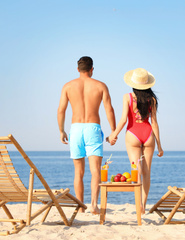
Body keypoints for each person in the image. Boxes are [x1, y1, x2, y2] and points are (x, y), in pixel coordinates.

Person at [57, 56, 116, 214]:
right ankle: (94, 205)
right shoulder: (100, 85)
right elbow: (108, 109)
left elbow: (61, 110)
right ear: (92, 69)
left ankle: (80, 207)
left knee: (78, 171)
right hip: (92, 128)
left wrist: (61, 130)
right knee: (95, 170)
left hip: (75, 128)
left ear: (78, 69)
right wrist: (113, 131)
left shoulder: (68, 86)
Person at [108, 68, 163, 214]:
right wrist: (159, 146)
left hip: (133, 134)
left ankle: (138, 204)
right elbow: (155, 123)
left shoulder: (127, 97)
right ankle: (143, 206)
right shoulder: (152, 99)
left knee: (136, 171)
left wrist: (114, 134)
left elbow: (123, 120)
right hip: (148, 134)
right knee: (147, 172)